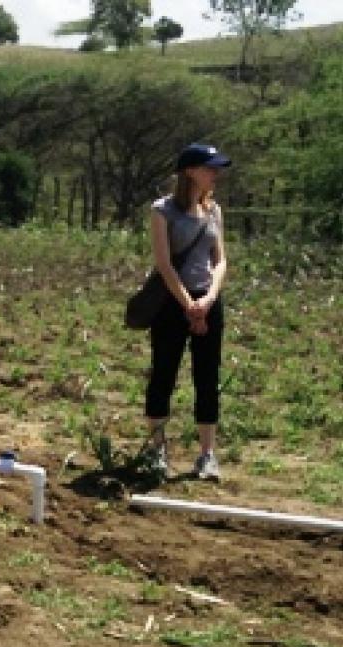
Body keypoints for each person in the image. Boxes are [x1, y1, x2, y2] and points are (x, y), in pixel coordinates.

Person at [144, 142, 231, 480]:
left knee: (207, 377)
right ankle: (157, 451)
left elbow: (220, 260)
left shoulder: (214, 211)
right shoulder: (162, 210)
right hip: (171, 303)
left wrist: (207, 299)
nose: (215, 174)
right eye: (210, 168)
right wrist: (187, 304)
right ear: (190, 171)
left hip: (207, 300)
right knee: (163, 373)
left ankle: (207, 455)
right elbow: (164, 265)